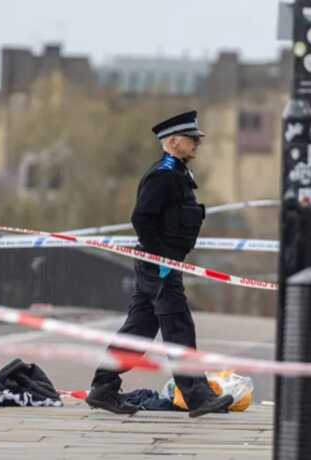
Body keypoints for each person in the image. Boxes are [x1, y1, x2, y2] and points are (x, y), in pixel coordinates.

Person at [86, 110, 233, 418]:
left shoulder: (177, 172)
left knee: (139, 330)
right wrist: (158, 256)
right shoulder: (164, 174)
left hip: (160, 264)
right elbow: (141, 217)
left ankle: (103, 387)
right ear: (173, 141)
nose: (197, 143)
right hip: (160, 266)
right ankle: (197, 396)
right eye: (192, 139)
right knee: (179, 327)